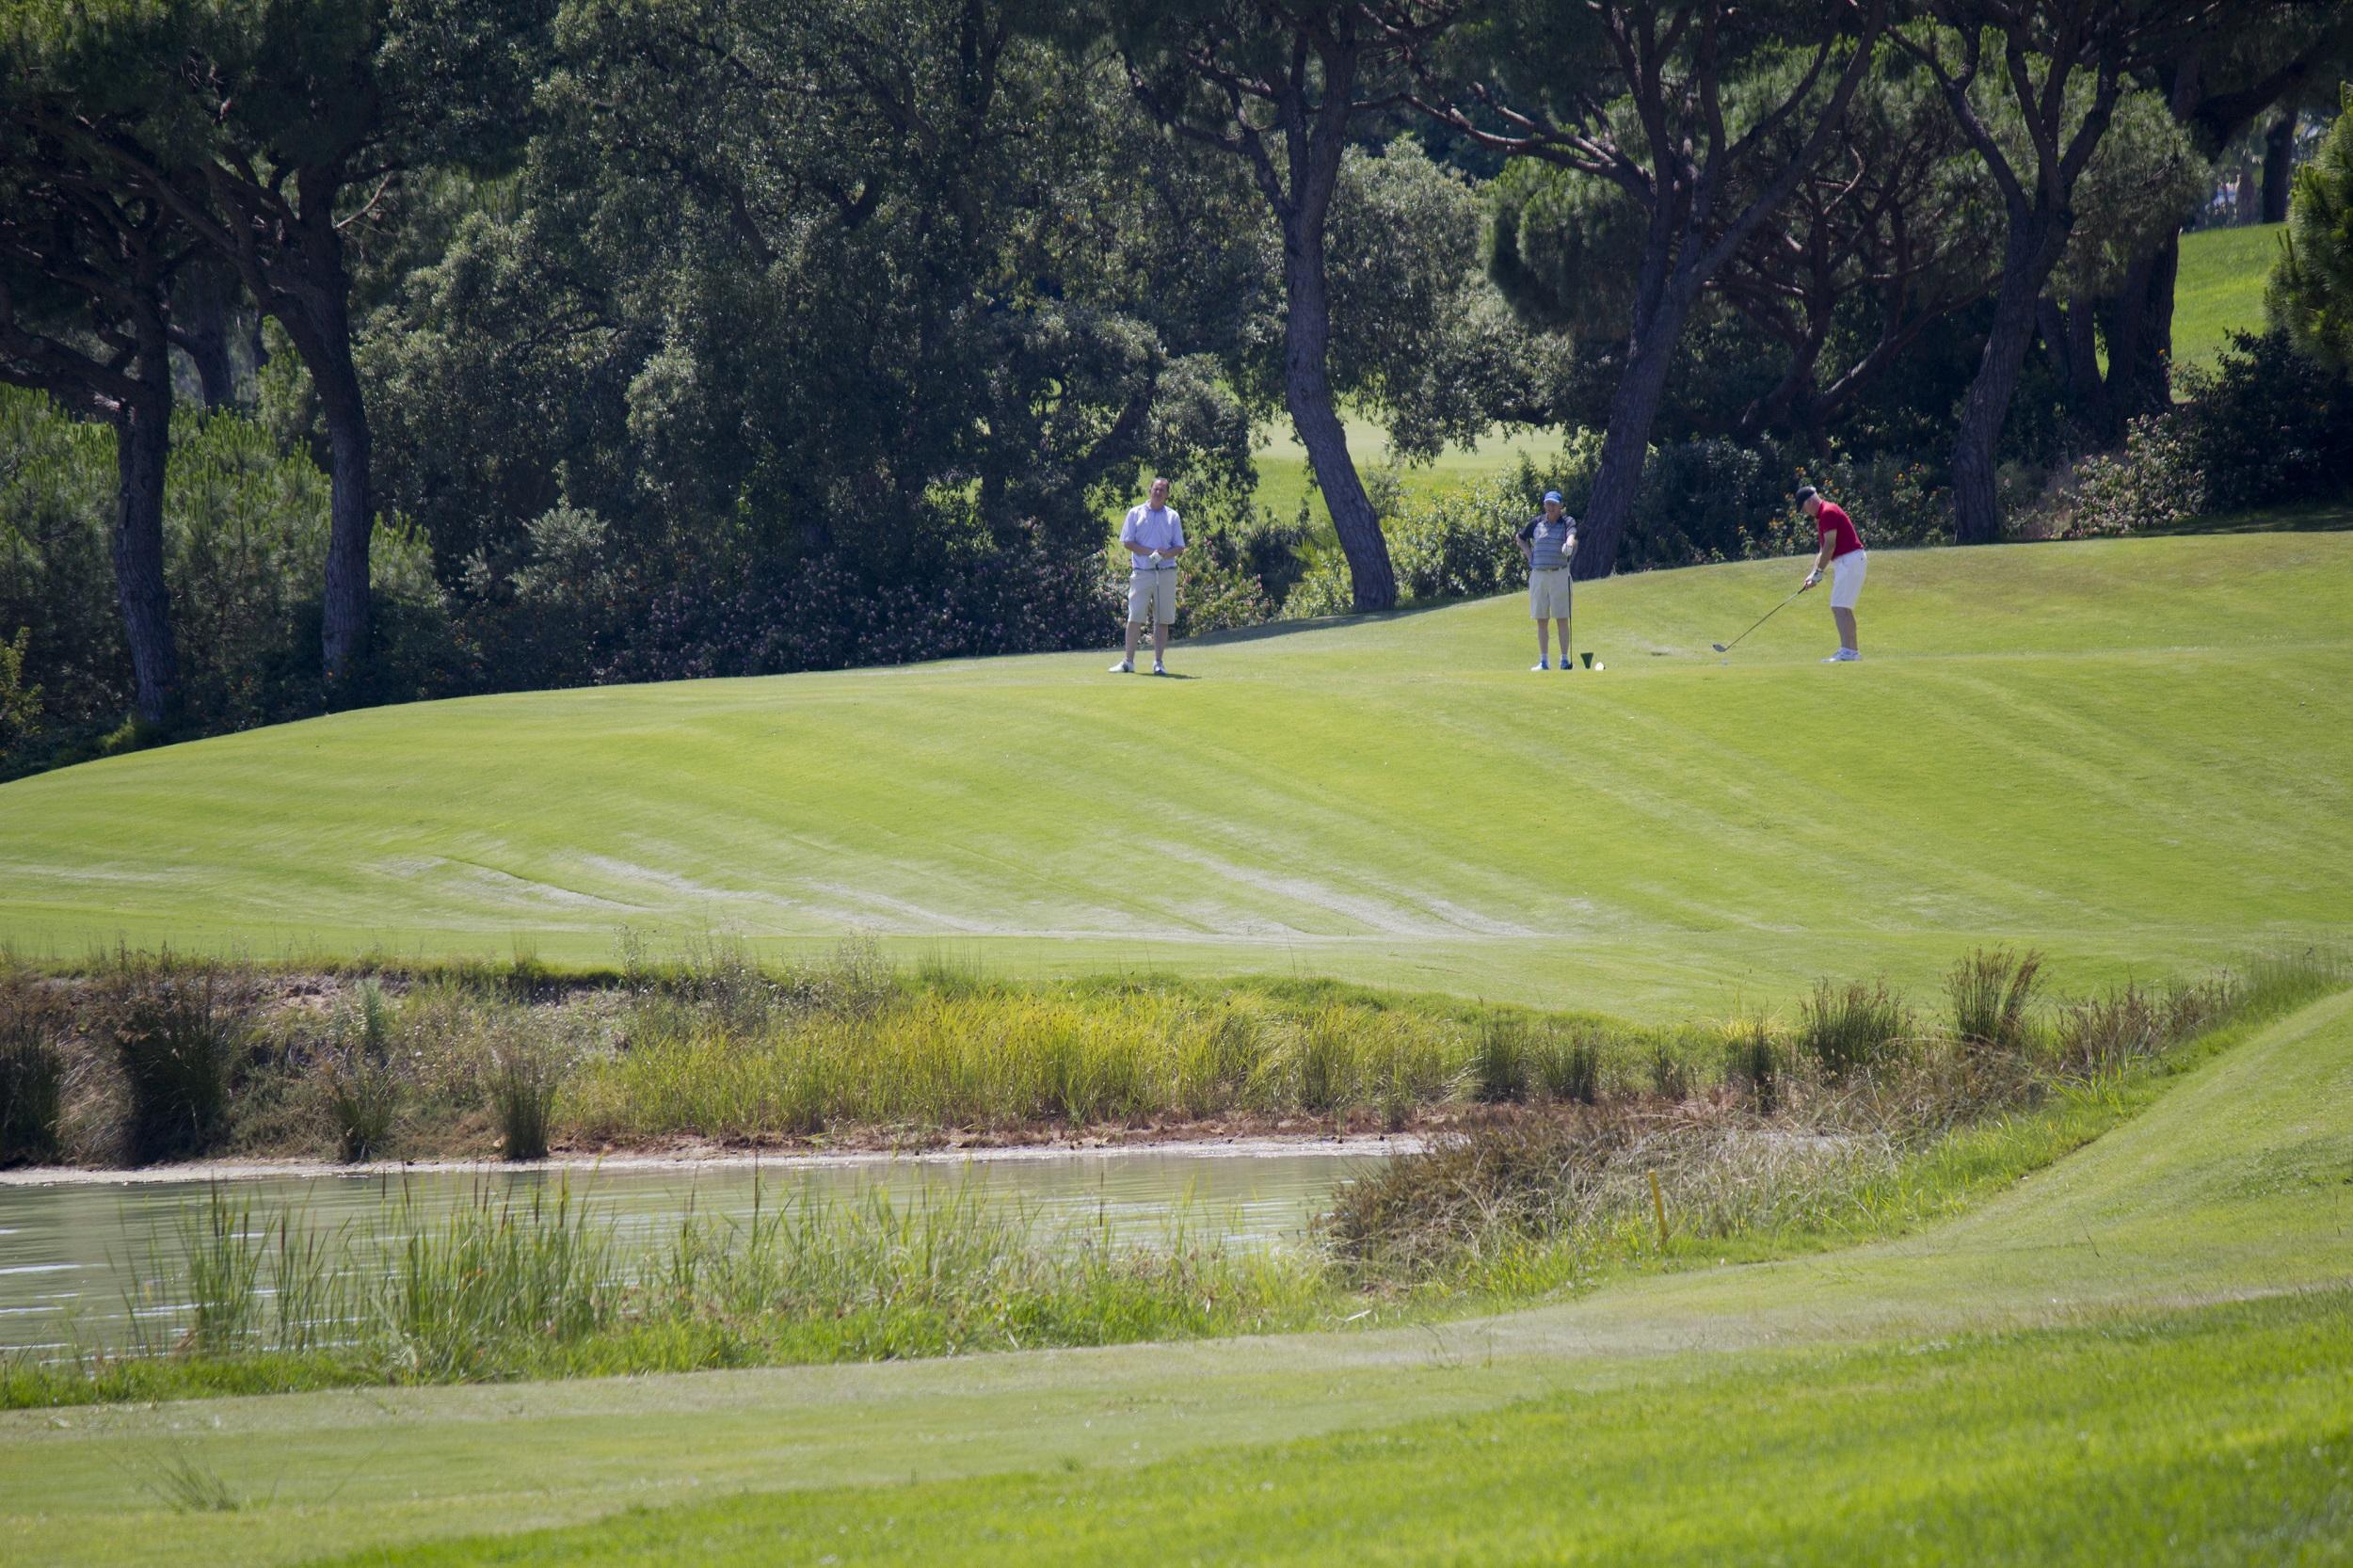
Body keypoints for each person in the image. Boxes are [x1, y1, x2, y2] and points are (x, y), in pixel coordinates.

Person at [1112, 475, 1186, 675]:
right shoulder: (1135, 513)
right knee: (1135, 616)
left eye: (1163, 490)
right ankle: (1128, 661)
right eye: (1156, 489)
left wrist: (1166, 554)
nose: (1158, 493)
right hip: (1143, 571)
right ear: (1150, 490)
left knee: (1162, 619)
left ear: (1167, 495)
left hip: (1166, 572)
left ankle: (1158, 662)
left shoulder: (1173, 516)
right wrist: (1149, 553)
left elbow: (1179, 545)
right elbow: (1127, 541)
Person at [1797, 484, 1865, 662]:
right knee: (1843, 607)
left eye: (1804, 508)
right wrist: (1813, 575)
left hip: (1849, 560)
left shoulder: (1827, 513)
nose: (1805, 513)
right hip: (1850, 561)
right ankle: (1852, 652)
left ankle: (1847, 652)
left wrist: (1819, 573)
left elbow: (1830, 545)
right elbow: (1822, 551)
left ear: (1810, 502)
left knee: (1839, 607)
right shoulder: (1824, 515)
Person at [1515, 490, 1577, 670]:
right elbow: (1520, 538)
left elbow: (1572, 535)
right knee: (1541, 618)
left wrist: (1568, 545)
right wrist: (1530, 556)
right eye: (1548, 504)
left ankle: (1564, 660)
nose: (1550, 507)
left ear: (1560, 506)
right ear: (1544, 505)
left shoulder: (1567, 521)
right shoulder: (1536, 522)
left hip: (1559, 574)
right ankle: (1544, 661)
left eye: (1554, 504)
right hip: (1539, 575)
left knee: (1562, 617)